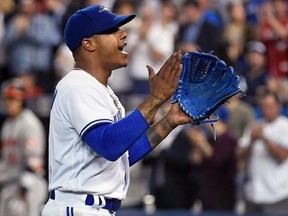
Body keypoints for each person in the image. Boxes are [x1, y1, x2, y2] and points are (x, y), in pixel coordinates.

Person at [41, 5, 192, 216]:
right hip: (78, 207)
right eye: (112, 30)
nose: (123, 34)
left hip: (90, 207)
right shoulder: (77, 85)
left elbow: (124, 154)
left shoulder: (100, 90)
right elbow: (109, 144)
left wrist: (169, 121)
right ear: (89, 43)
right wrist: (155, 99)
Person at [0, 78, 47, 216]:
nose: (9, 103)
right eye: (7, 99)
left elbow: (34, 162)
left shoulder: (29, 123)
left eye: (13, 99)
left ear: (22, 101)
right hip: (10, 185)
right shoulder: (7, 124)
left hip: (27, 187)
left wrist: (24, 190)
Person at [238, 90, 288, 215]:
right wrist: (252, 141)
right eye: (264, 106)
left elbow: (283, 155)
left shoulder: (284, 126)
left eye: (270, 106)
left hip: (277, 194)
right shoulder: (253, 126)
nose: (266, 110)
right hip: (253, 193)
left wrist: (264, 138)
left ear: (278, 106)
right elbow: (240, 156)